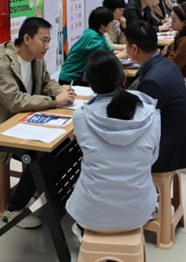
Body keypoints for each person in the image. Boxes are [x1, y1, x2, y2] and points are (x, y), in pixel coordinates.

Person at [0, 17, 76, 229]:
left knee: (62, 145)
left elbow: (46, 82)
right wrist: (55, 100)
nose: (47, 46)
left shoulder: (37, 59)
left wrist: (63, 93)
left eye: (48, 41)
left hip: (21, 122)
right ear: (27, 38)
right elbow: (15, 101)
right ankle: (14, 210)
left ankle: (42, 188)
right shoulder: (0, 64)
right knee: (40, 155)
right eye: (43, 40)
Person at [66, 51, 160, 235]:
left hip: (90, 215)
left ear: (92, 86)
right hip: (139, 214)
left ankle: (88, 236)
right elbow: (152, 159)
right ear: (124, 77)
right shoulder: (151, 114)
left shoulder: (81, 116)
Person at [125, 22, 186, 173]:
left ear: (134, 49)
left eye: (126, 45)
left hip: (166, 151)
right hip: (176, 140)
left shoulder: (152, 81)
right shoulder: (165, 64)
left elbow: (139, 123)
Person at [59, 7, 125, 85]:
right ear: (103, 25)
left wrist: (124, 52)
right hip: (71, 78)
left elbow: (108, 50)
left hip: (81, 75)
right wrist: (122, 54)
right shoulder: (92, 37)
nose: (112, 24)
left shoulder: (99, 33)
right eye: (111, 22)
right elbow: (103, 60)